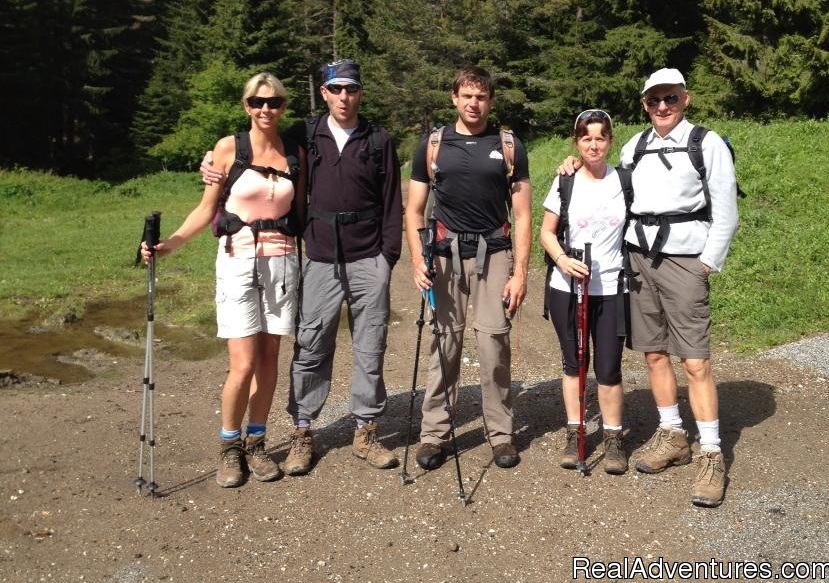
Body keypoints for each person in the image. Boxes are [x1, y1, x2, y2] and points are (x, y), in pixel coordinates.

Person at [200, 59, 403, 474]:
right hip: (320, 257)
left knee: (370, 347)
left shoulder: (378, 140)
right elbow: (260, 140)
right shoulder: (305, 135)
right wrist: (211, 160)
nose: (344, 97)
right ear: (325, 93)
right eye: (336, 89)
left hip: (369, 257)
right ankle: (302, 431)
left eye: (351, 89)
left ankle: (365, 430)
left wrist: (388, 258)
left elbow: (391, 203)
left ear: (360, 92)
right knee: (311, 346)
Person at [143, 72, 305, 488]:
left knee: (270, 360)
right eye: (257, 102)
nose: (265, 110)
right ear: (245, 105)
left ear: (284, 106)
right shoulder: (228, 148)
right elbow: (206, 208)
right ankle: (229, 446)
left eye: (273, 103)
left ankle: (257, 442)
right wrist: (168, 245)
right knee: (244, 363)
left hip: (282, 262)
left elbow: (304, 207)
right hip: (237, 260)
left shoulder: (295, 152)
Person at [404, 65, 532, 470]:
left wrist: (521, 272)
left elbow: (524, 214)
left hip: (494, 253)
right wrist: (416, 258)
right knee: (445, 343)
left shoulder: (509, 145)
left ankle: (501, 435)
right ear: (454, 98)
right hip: (444, 254)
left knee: (494, 343)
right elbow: (413, 210)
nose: (474, 103)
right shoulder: (433, 144)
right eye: (467, 96)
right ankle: (434, 435)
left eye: (481, 97)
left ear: (489, 101)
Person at [622, 67, 739, 507]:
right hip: (639, 255)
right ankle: (672, 433)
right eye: (655, 100)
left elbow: (726, 207)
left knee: (694, 361)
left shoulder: (706, 143)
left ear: (685, 99)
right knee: (653, 352)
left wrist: (707, 262)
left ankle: (711, 452)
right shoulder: (634, 145)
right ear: (645, 105)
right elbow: (620, 194)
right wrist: (575, 164)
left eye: (670, 98)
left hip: (686, 259)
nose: (663, 106)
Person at [540, 109, 629, 475]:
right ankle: (574, 432)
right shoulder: (565, 181)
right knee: (573, 364)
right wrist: (562, 260)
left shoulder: (625, 180)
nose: (594, 144)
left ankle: (613, 439)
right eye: (586, 138)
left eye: (601, 137)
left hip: (610, 287)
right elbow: (547, 232)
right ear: (576, 142)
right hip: (567, 287)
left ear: (610, 141)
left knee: (608, 367)